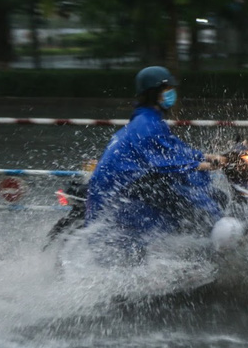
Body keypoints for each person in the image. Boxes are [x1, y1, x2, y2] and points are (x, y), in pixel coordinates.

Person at [85, 66, 227, 234]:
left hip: (126, 186)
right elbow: (162, 161)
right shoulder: (146, 124)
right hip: (121, 190)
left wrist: (207, 156)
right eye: (167, 89)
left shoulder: (149, 120)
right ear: (154, 93)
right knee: (190, 202)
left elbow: (174, 149)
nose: (172, 93)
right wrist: (204, 165)